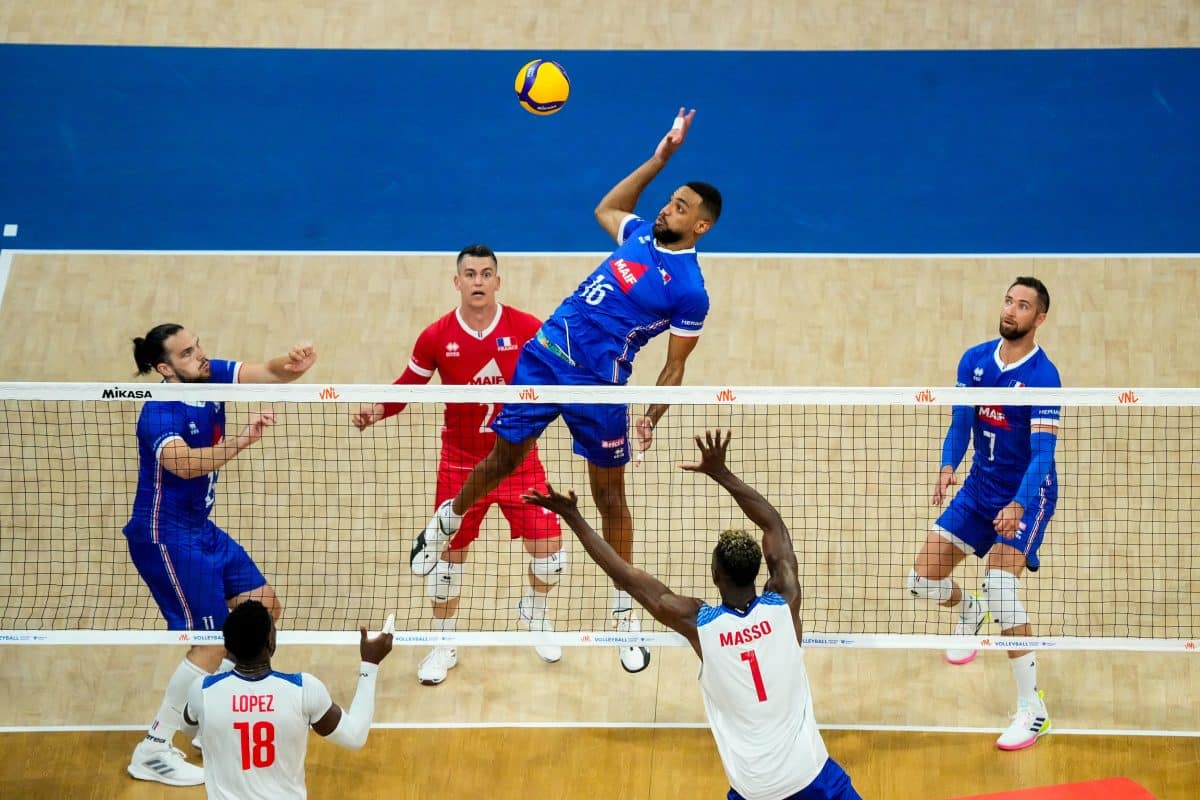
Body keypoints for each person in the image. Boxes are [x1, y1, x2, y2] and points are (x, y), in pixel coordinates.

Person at [412, 107, 723, 673]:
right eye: (669, 200)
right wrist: (660, 158)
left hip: (600, 388)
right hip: (544, 357)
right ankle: (446, 522)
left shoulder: (690, 289)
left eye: (681, 206)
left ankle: (625, 613)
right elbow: (607, 208)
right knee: (503, 459)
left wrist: (651, 415)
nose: (667, 208)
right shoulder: (637, 235)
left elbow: (675, 367)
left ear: (701, 226)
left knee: (610, 499)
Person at [524, 431, 861, 800]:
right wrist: (722, 474)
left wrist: (574, 518)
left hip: (755, 791)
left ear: (715, 575)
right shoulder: (785, 603)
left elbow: (626, 576)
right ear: (758, 571)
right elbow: (774, 527)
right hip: (813, 776)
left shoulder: (702, 625)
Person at [352, 244, 565, 685]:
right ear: (457, 282)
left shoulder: (527, 328)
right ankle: (443, 643)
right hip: (461, 466)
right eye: (470, 274)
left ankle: (534, 610)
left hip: (518, 462)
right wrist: (377, 410)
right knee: (448, 565)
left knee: (552, 560)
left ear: (497, 281)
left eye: (486, 274)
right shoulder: (436, 336)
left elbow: (560, 374)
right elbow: (409, 385)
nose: (478, 281)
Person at [124, 323, 317, 786]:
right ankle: (153, 747)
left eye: (198, 346)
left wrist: (293, 364)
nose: (200, 356)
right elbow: (185, 464)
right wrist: (243, 440)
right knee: (212, 640)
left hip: (200, 529)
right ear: (164, 368)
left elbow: (269, 371)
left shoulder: (209, 375)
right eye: (187, 353)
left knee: (263, 607)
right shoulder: (159, 413)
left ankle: (204, 712)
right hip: (166, 538)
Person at [906, 276, 1060, 751]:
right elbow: (961, 423)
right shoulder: (974, 361)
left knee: (1002, 587)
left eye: (1023, 305)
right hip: (978, 487)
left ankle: (1032, 708)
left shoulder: (1043, 378)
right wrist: (947, 465)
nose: (1011, 310)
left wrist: (1018, 503)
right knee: (922, 581)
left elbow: (1042, 455)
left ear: (1039, 318)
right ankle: (970, 611)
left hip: (1026, 493)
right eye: (1009, 301)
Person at [181, 599, 393, 799]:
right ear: (270, 642)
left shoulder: (202, 690)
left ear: (228, 645)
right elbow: (355, 736)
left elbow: (188, 728)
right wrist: (370, 663)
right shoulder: (303, 689)